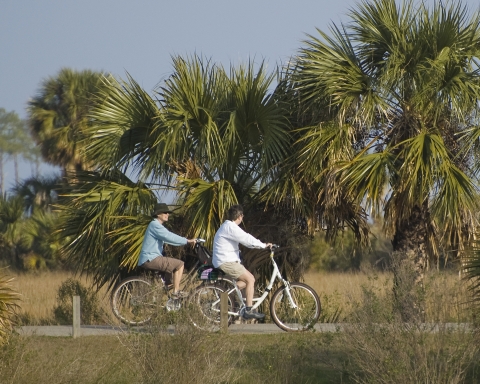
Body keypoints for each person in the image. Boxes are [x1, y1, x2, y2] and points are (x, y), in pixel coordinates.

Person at [212, 204, 272, 320]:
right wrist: (264, 245)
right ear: (240, 216)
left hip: (224, 260)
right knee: (250, 279)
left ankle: (224, 296)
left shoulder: (227, 226)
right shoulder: (230, 227)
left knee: (246, 282)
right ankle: (249, 310)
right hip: (226, 262)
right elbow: (246, 238)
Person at [138, 202, 196, 298]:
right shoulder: (155, 225)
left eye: (168, 213)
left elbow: (169, 239)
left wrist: (185, 242)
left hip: (153, 257)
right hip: (151, 258)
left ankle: (168, 290)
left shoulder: (157, 226)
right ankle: (176, 292)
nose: (167, 214)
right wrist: (187, 241)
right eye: (165, 212)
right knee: (180, 264)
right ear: (158, 214)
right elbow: (169, 237)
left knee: (170, 265)